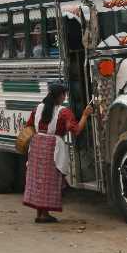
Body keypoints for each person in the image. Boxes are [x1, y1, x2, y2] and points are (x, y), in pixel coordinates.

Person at [23, 84, 93, 223]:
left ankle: (40, 213)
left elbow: (29, 125)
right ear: (60, 96)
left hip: (37, 145)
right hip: (52, 148)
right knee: (49, 180)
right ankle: (44, 215)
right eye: (64, 95)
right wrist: (85, 114)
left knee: (38, 179)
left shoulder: (38, 108)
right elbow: (77, 129)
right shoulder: (64, 112)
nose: (65, 97)